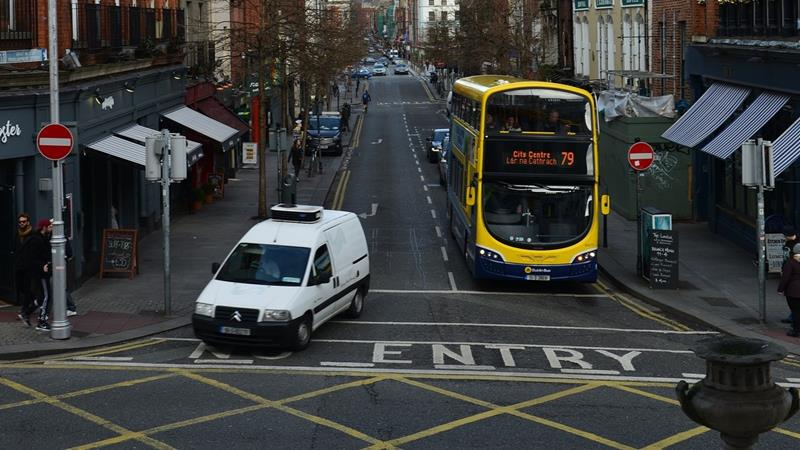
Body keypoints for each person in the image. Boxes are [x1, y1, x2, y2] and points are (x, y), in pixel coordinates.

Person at [14, 213, 39, 327]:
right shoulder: (18, 234)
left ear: (28, 222)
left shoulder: (33, 235)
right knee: (22, 288)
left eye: (23, 221)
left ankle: (24, 311)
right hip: (19, 267)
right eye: (20, 222)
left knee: (28, 288)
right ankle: (33, 300)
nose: (21, 223)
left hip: (29, 267)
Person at [32, 219, 53, 331]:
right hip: (41, 273)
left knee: (45, 296)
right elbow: (33, 258)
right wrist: (42, 266)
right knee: (46, 296)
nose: (51, 227)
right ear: (44, 227)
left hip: (45, 272)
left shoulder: (45, 238)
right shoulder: (37, 240)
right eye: (49, 226)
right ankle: (41, 322)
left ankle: (42, 318)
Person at [778, 243, 800, 337]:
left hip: (793, 292)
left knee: (795, 311)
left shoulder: (790, 262)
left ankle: (796, 331)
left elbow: (785, 277)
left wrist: (780, 289)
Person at [781, 226, 799, 324]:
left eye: (785, 235)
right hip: (789, 272)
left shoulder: (797, 245)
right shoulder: (789, 242)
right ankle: (793, 317)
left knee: (794, 299)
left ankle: (794, 320)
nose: (784, 236)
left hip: (793, 275)